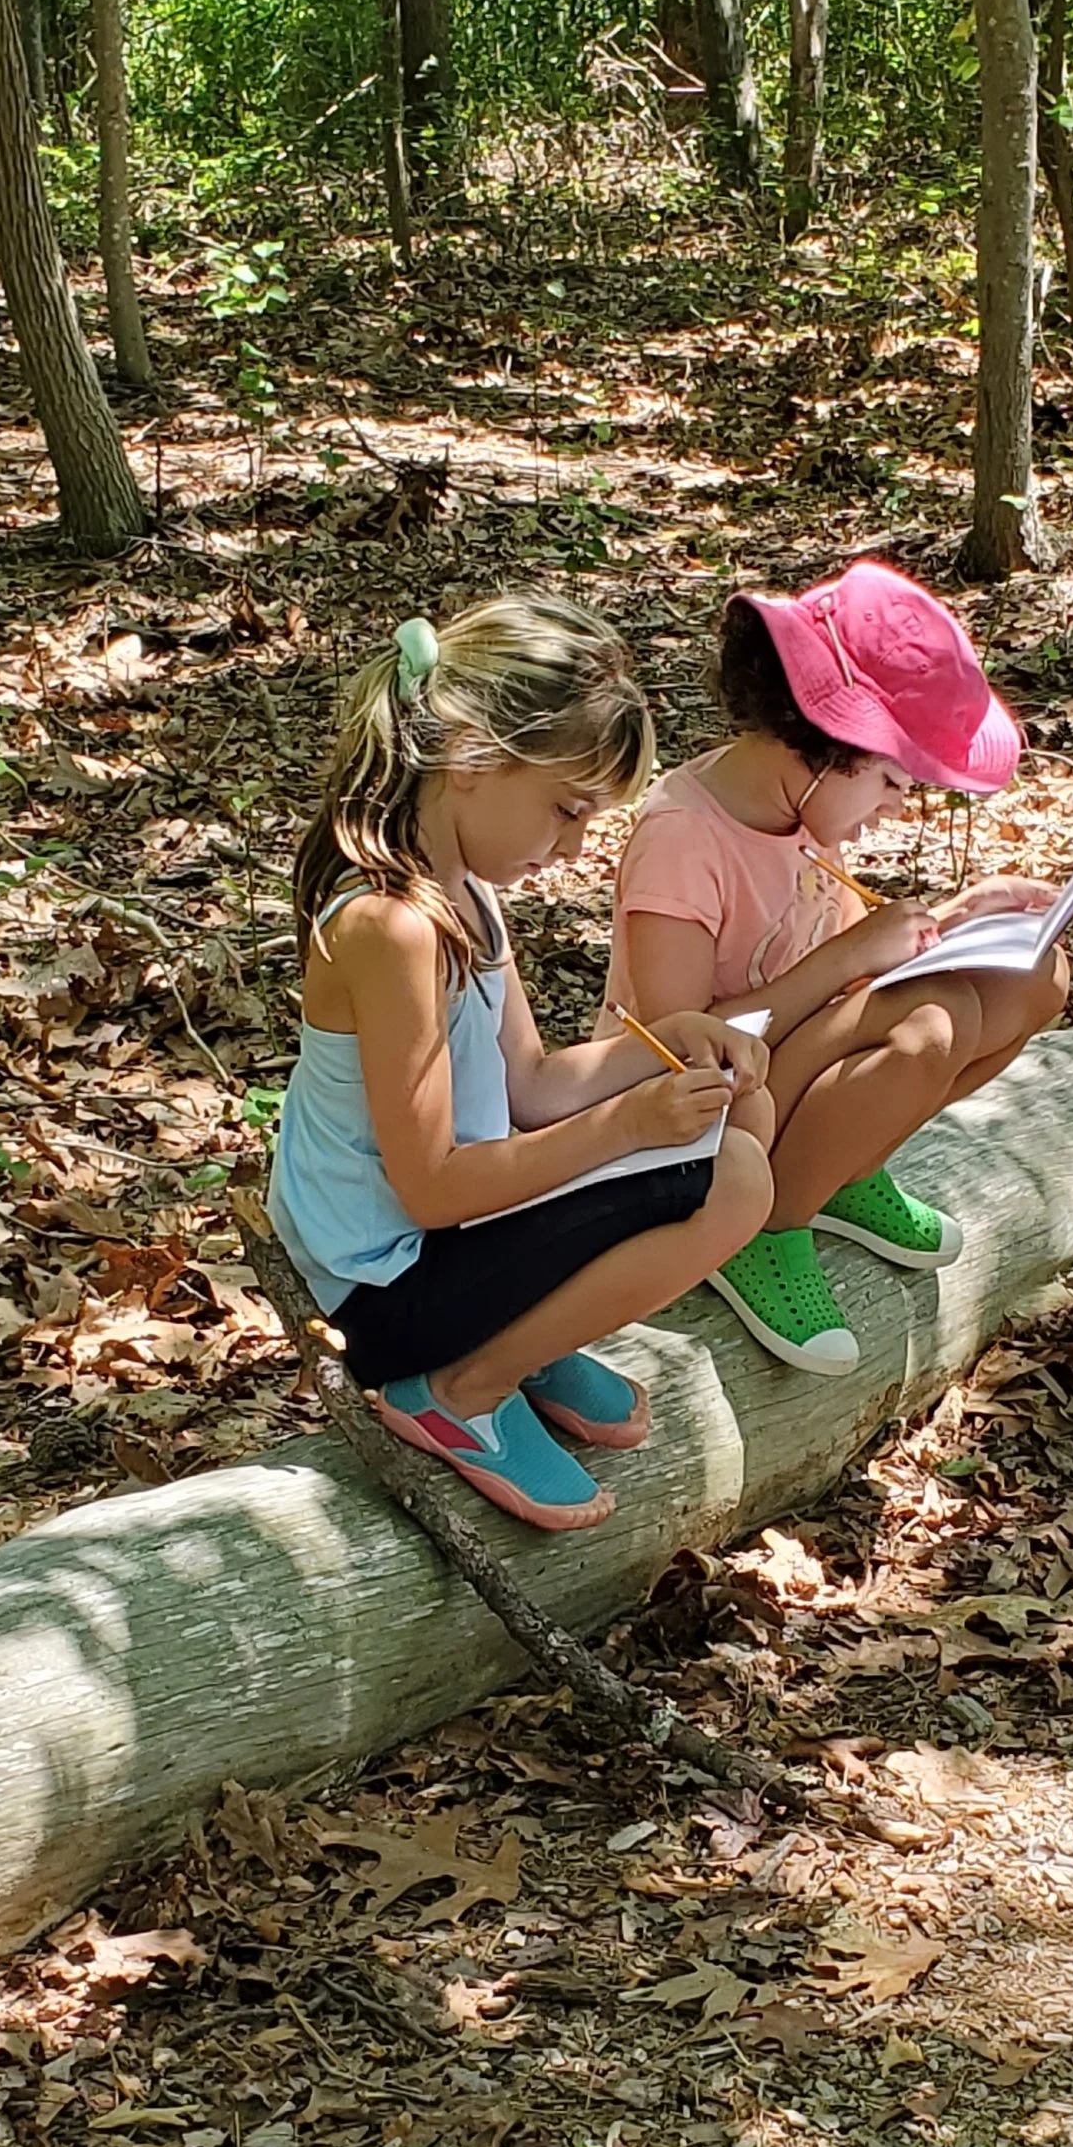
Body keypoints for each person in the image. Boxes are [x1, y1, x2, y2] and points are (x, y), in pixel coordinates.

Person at [270, 598, 773, 1532]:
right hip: (379, 1293)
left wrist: (671, 1037)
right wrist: (627, 1125)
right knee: (734, 1176)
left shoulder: (465, 897)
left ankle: (522, 1339)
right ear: (471, 761)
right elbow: (429, 1189)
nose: (578, 846)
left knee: (743, 1124)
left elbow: (531, 1086)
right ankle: (462, 1388)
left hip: (438, 1248)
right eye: (566, 810)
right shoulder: (393, 925)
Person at [606, 560, 1069, 1375]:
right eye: (891, 779)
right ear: (824, 746)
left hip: (782, 1072)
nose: (896, 805)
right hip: (699, 1129)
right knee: (931, 1027)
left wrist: (956, 921)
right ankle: (761, 1223)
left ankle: (840, 1169)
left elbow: (849, 967)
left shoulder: (802, 811)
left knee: (1039, 977)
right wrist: (850, 956)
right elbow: (679, 1051)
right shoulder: (685, 836)